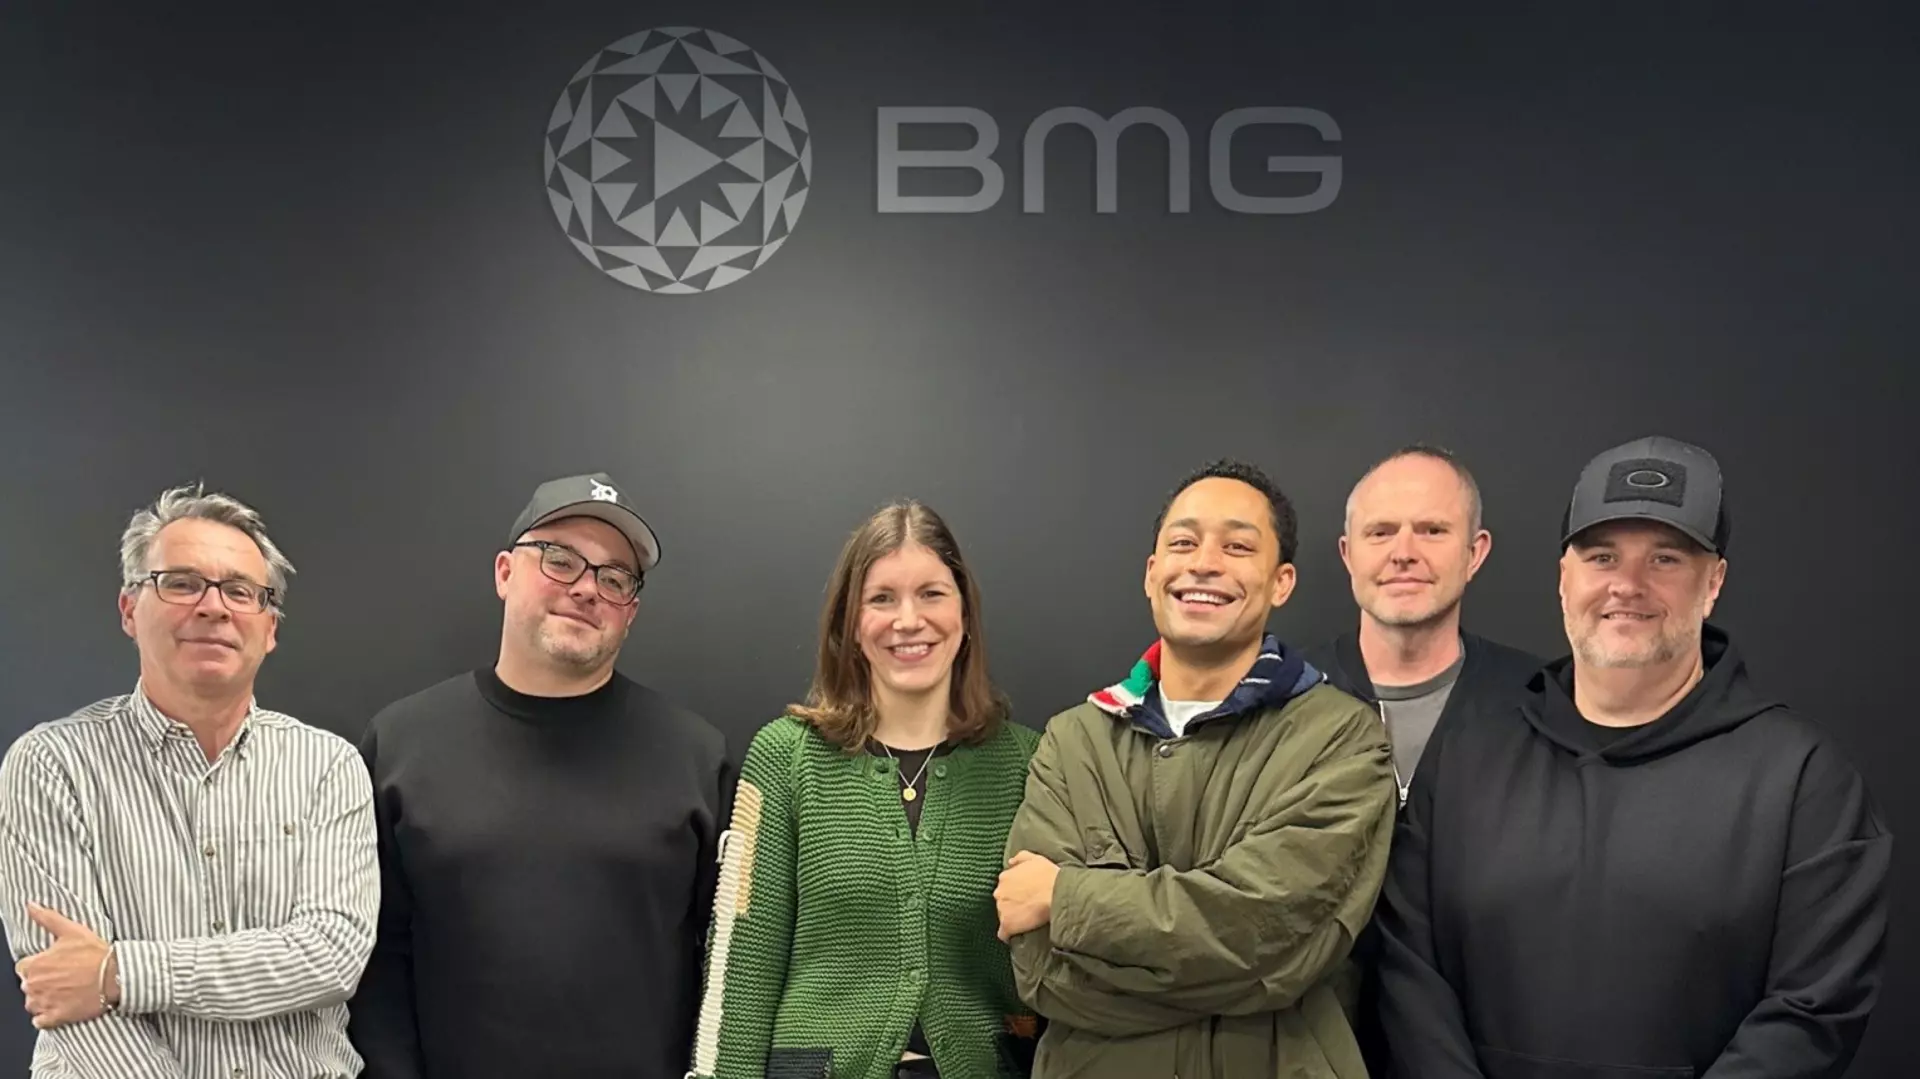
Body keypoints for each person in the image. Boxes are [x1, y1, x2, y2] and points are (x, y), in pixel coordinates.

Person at [1373, 435, 1893, 1078]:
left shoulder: (1803, 781)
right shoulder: (1466, 755)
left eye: (1666, 559)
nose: (1627, 585)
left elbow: (1814, 1009)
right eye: (1601, 556)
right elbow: (1409, 970)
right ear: (1565, 579)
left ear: (1715, 583)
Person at [995, 459, 1399, 1078]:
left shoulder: (1342, 740)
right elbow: (1044, 973)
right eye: (1182, 543)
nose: (1204, 562)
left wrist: (1066, 897)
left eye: (1238, 546)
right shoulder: (1073, 741)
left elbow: (1274, 940)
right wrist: (1224, 964)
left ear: (1281, 581)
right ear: (1152, 574)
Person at [349, 472, 733, 1079]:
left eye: (614, 578)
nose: (587, 589)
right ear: (505, 572)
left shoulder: (696, 757)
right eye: (560, 560)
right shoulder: (401, 743)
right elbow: (376, 960)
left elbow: (728, 970)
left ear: (630, 611)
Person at [0, 482, 379, 1078]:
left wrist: (120, 972)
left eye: (239, 591)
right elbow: (66, 994)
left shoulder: (328, 766)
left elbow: (330, 957)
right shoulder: (51, 765)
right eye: (180, 583)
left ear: (269, 627)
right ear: (130, 609)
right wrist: (93, 979)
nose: (213, 606)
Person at [687, 500, 1042, 1079]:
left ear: (965, 614)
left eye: (931, 593)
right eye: (882, 598)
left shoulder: (1026, 762)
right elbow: (741, 962)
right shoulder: (785, 757)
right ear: (850, 626)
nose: (908, 620)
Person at [1309, 443, 1542, 804]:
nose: (1403, 554)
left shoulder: (1541, 702)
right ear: (1348, 554)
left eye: (1432, 530)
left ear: (1474, 553)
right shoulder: (1287, 697)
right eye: (1380, 532)